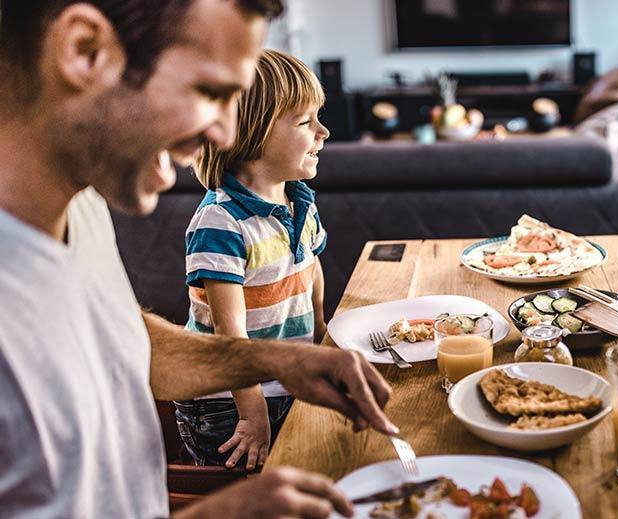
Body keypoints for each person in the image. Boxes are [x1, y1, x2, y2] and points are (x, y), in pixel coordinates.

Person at [0, 1, 397, 517]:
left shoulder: (83, 202)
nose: (227, 136)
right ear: (85, 51)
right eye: (210, 91)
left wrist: (279, 359)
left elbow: (123, 341)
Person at [176, 49, 330, 471]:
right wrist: (252, 413)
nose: (324, 131)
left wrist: (320, 335)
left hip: (284, 382)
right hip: (229, 404)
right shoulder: (221, 221)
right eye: (305, 122)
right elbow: (231, 334)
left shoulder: (298, 201)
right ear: (252, 133)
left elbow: (309, 269)